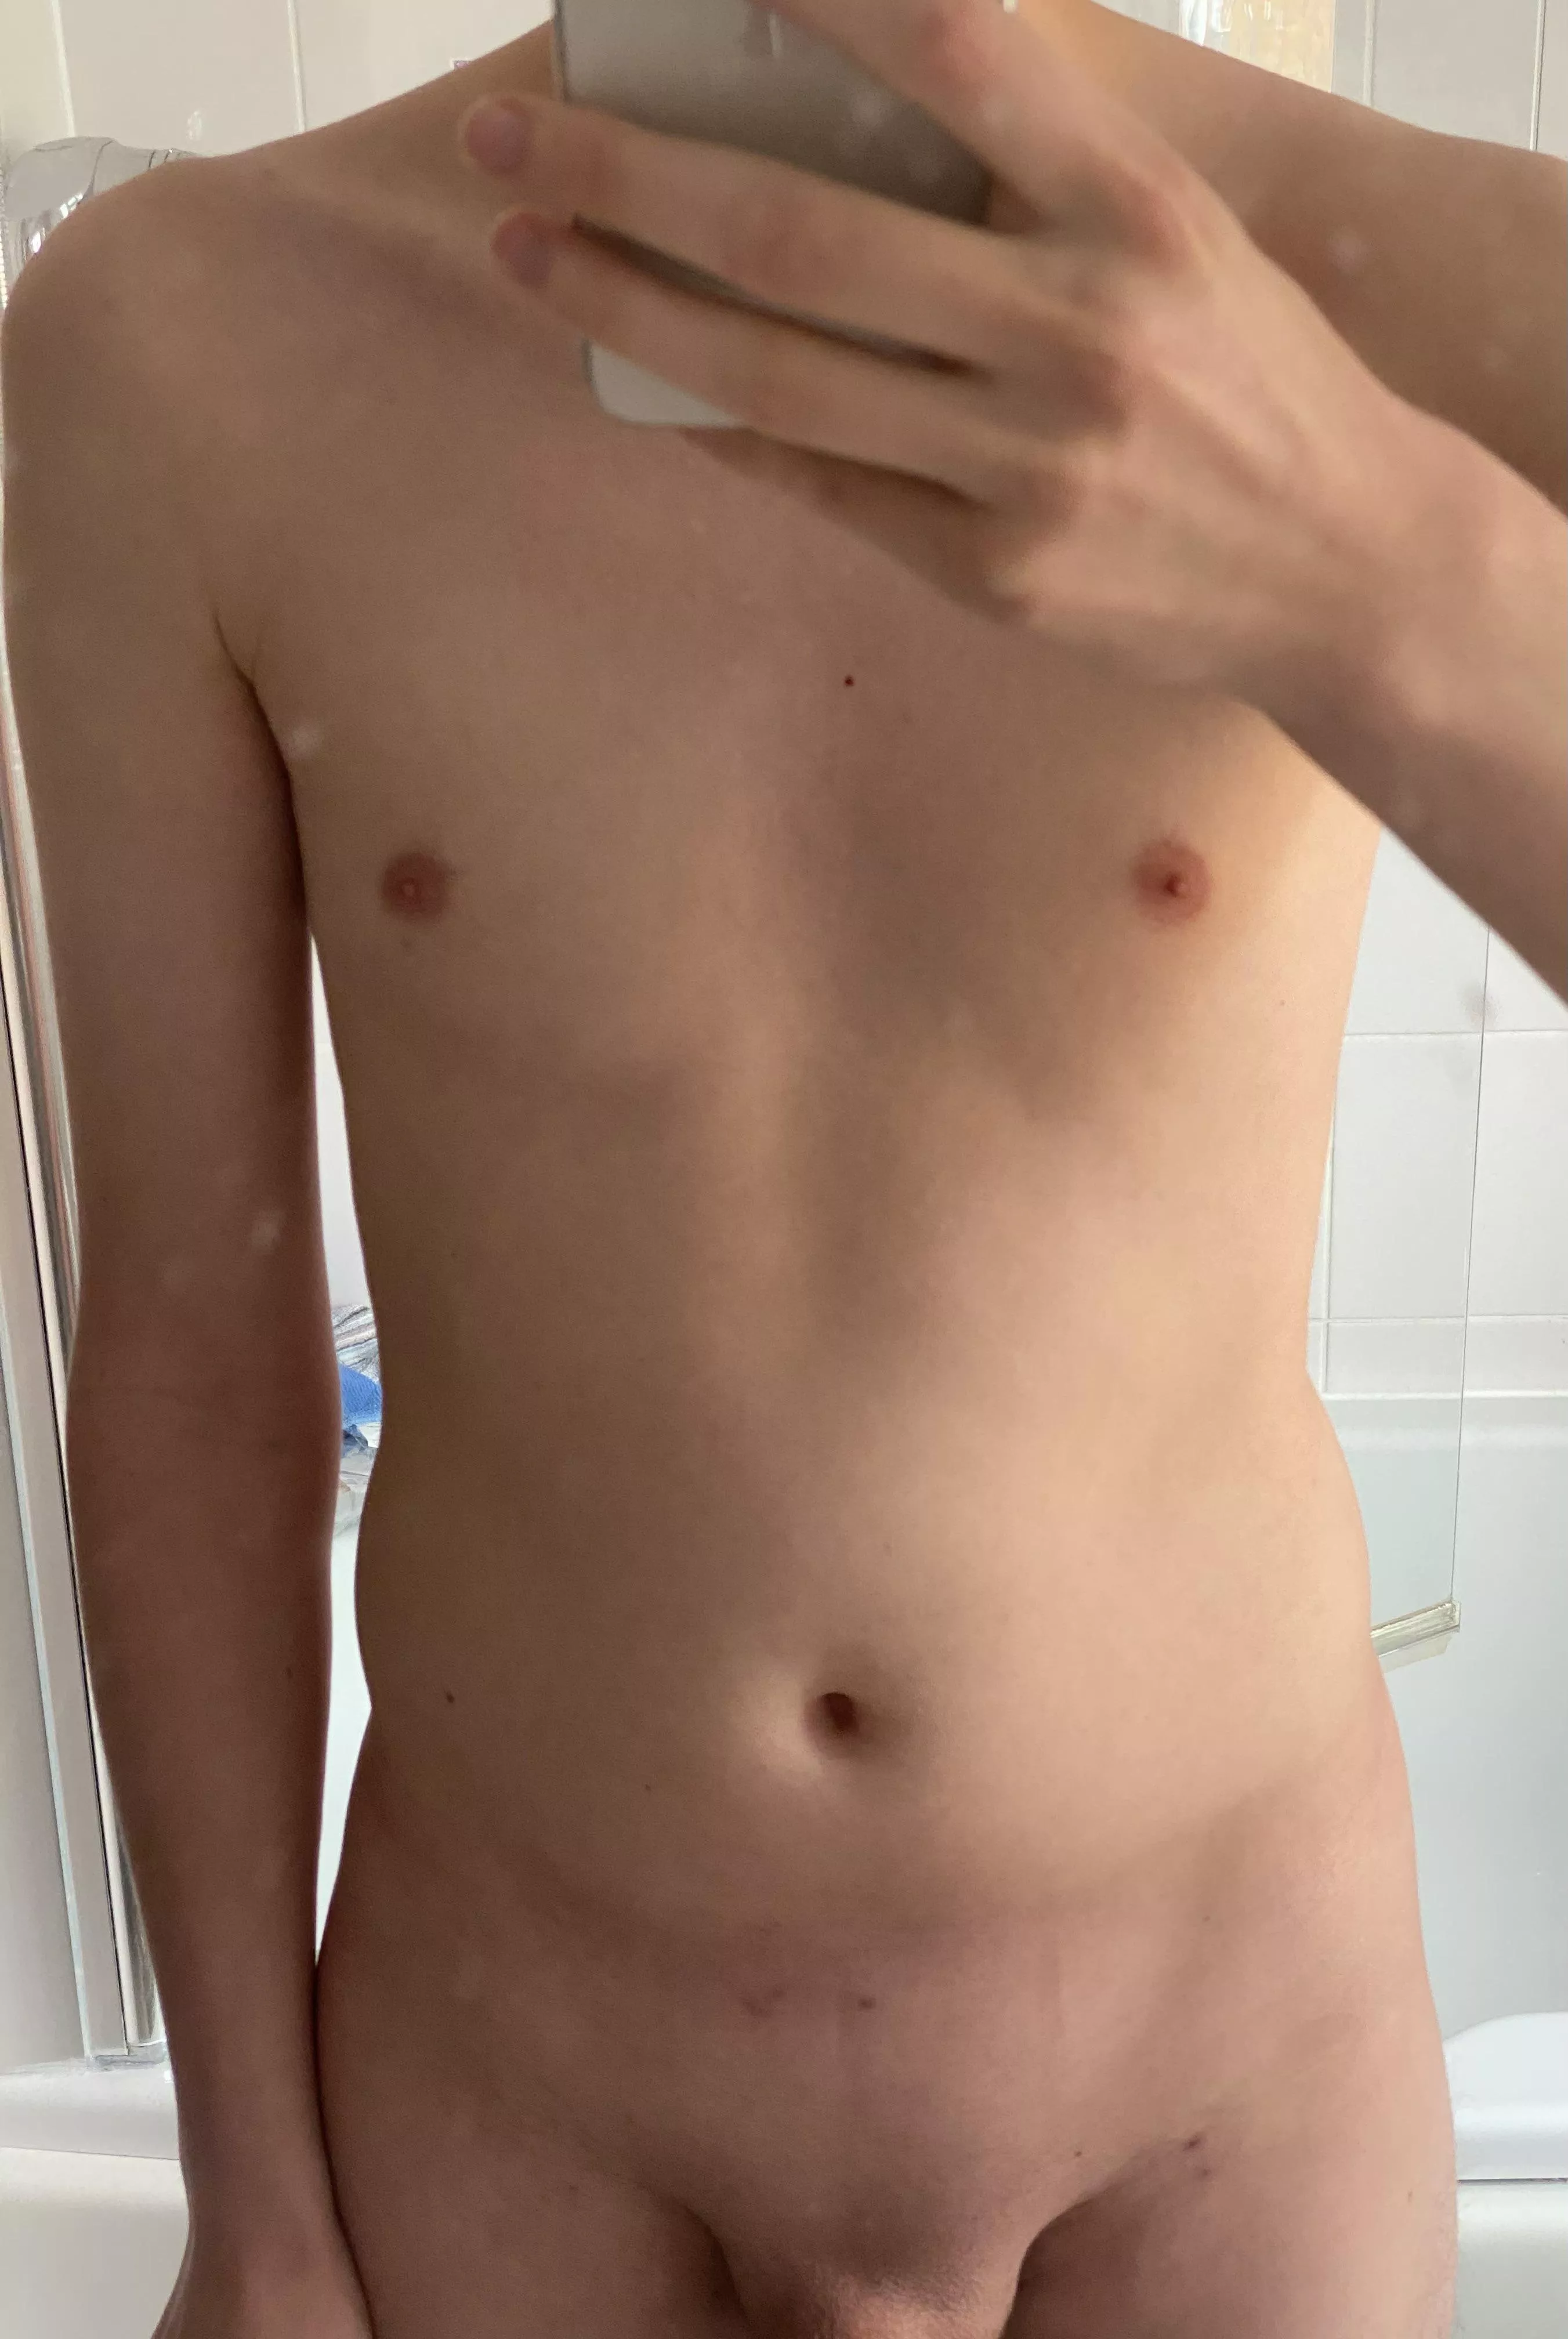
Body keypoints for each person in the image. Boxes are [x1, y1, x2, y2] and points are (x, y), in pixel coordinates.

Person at [1, 3, 1563, 2333]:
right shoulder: (178, 339)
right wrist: (256, 2210)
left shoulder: (1415, 286)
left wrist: (1391, 587)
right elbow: (190, 1339)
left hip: (1224, 2076)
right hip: (527, 2075)